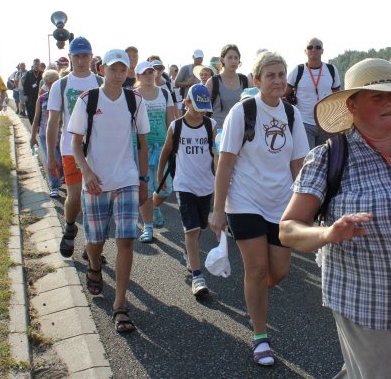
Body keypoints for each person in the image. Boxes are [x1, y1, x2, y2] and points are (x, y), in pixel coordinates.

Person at [280, 58, 391, 379]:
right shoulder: (329, 157)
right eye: (377, 96)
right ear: (352, 105)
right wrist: (328, 235)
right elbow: (288, 230)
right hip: (362, 296)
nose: (390, 103)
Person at [209, 51, 310, 366]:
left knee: (278, 270)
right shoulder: (242, 112)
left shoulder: (292, 116)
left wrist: (305, 207)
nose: (278, 81)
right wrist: (218, 209)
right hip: (245, 200)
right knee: (257, 268)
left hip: (281, 202)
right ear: (257, 81)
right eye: (271, 76)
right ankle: (260, 337)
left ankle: (254, 296)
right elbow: (225, 164)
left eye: (282, 75)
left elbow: (299, 165)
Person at [67, 48, 150, 334]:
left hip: (126, 178)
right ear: (102, 70)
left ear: (128, 72)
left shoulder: (134, 100)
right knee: (96, 240)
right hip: (96, 181)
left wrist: (142, 179)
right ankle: (93, 265)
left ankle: (120, 304)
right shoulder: (88, 100)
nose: (118, 74)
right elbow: (75, 143)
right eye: (113, 68)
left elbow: (142, 143)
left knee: (126, 240)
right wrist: (86, 171)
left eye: (122, 69)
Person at [157, 84, 218, 296]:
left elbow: (217, 157)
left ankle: (187, 252)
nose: (200, 111)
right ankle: (198, 277)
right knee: (191, 230)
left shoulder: (212, 125)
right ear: (186, 103)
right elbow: (166, 152)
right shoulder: (176, 126)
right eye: (196, 106)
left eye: (204, 107)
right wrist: (160, 178)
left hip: (206, 184)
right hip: (184, 184)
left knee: (200, 227)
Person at [46, 36, 104, 258]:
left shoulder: (100, 83)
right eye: (76, 56)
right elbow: (53, 122)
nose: (81, 60)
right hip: (71, 149)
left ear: (91, 57)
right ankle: (70, 227)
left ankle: (93, 246)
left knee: (97, 201)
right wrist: (51, 156)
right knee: (75, 197)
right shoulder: (60, 86)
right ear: (70, 58)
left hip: (97, 151)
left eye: (84, 56)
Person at [133, 61, 175, 242]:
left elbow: (171, 121)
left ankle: (155, 207)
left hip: (162, 148)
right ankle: (148, 228)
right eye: (145, 73)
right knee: (146, 190)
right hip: (140, 148)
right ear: (138, 76)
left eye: (152, 72)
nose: (149, 75)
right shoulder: (132, 95)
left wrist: (174, 147)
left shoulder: (165, 93)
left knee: (166, 188)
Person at [285, 38, 341, 149]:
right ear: (305, 51)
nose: (314, 50)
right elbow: (285, 92)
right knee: (308, 158)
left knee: (326, 159)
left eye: (318, 47)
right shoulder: (298, 70)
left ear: (322, 51)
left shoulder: (331, 69)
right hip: (305, 123)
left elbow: (337, 95)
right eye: (310, 47)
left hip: (326, 123)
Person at [30, 69, 62, 198]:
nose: (51, 85)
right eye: (48, 83)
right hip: (44, 134)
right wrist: (32, 137)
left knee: (61, 161)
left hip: (61, 135)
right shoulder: (41, 99)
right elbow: (36, 118)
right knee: (51, 159)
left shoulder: (63, 97)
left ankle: (61, 177)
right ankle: (54, 186)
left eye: (54, 82)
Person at [206, 44, 250, 127]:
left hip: (240, 129)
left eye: (236, 58)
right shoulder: (212, 82)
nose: (233, 61)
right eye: (230, 57)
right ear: (222, 60)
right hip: (217, 131)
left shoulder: (245, 81)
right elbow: (202, 109)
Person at [22, 58, 43, 124]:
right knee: (30, 111)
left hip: (39, 95)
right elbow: (25, 85)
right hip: (30, 96)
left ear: (40, 65)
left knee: (39, 111)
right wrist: (25, 95)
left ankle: (38, 125)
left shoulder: (42, 73)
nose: (36, 66)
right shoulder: (29, 73)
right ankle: (32, 124)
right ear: (33, 65)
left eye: (38, 64)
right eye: (35, 64)